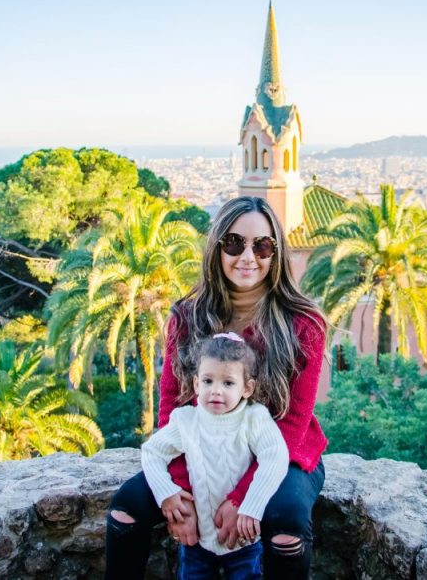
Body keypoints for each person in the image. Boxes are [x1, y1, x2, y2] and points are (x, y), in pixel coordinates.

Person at [105, 196, 329, 580]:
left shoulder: (302, 324)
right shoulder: (188, 317)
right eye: (234, 243)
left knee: (286, 524)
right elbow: (171, 408)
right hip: (201, 447)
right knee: (125, 510)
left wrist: (242, 497)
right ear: (216, 249)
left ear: (276, 253)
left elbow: (291, 424)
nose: (247, 257)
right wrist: (177, 490)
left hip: (280, 453)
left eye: (262, 246)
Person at [140, 333, 289, 580]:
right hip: (198, 542)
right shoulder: (186, 421)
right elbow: (152, 451)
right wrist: (165, 492)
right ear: (196, 384)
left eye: (228, 383)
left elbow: (276, 457)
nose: (215, 391)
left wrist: (251, 506)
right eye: (208, 381)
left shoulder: (254, 418)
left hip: (244, 540)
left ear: (247, 388)